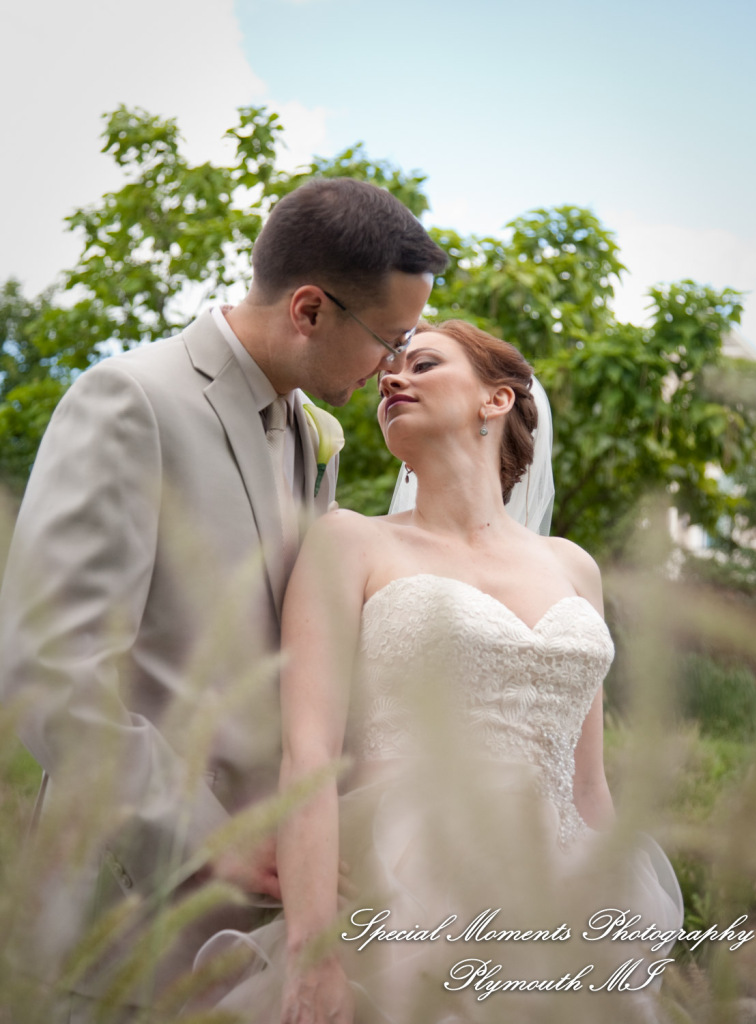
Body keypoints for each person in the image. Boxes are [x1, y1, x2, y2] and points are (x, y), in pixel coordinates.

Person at [0, 177, 448, 1018]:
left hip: (267, 932)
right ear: (309, 309)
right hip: (126, 924)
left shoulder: (311, 433)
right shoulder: (131, 400)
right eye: (389, 340)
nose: (394, 366)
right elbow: (49, 673)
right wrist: (209, 841)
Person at [196, 319, 683, 1024]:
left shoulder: (574, 567)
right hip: (404, 889)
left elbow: (588, 785)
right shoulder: (351, 541)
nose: (393, 378)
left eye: (423, 364)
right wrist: (312, 952)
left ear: (497, 399)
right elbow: (308, 758)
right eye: (388, 373)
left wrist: (622, 930)